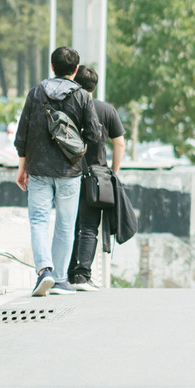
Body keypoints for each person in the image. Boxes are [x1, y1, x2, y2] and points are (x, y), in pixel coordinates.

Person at [14, 47, 102, 296]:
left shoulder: (36, 93)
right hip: (69, 171)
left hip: (38, 168)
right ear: (76, 70)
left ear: (52, 67)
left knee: (39, 221)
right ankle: (61, 279)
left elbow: (23, 133)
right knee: (65, 224)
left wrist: (22, 167)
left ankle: (45, 271)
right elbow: (95, 134)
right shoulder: (83, 97)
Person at [67, 65, 125, 291]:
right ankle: (82, 275)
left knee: (68, 225)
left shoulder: (69, 108)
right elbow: (119, 142)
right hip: (96, 177)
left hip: (68, 174)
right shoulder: (106, 110)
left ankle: (66, 274)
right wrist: (114, 172)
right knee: (89, 226)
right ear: (95, 86)